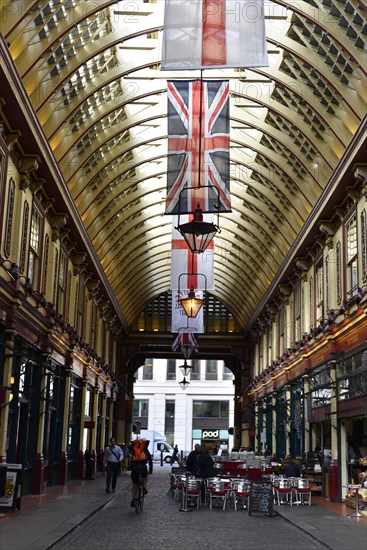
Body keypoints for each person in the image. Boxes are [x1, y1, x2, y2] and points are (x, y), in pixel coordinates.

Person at [130, 421, 153, 507]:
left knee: (134, 483)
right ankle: (144, 487)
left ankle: (133, 497)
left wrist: (131, 467)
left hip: (135, 468)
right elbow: (150, 460)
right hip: (142, 468)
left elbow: (130, 459)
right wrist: (150, 469)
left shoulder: (134, 449)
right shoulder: (145, 450)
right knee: (145, 476)